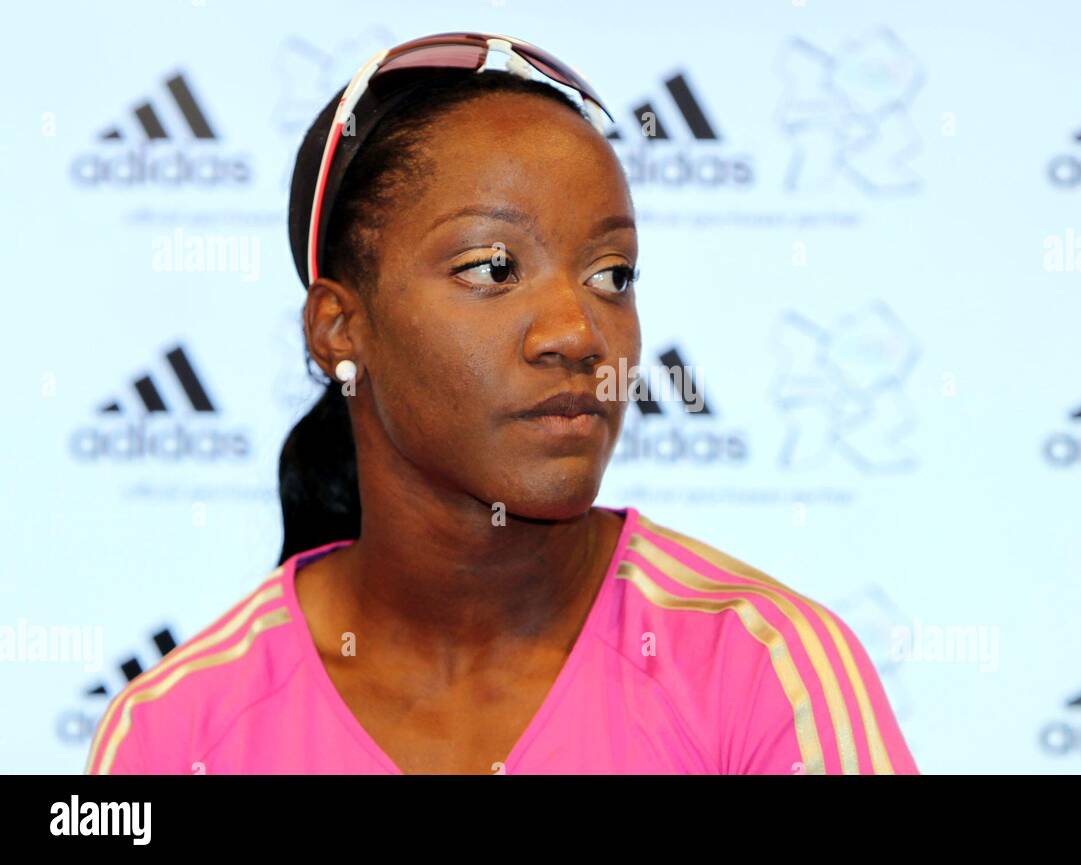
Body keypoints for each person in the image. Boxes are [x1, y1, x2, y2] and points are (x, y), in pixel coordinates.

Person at [85, 32, 917, 775]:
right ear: (340, 329)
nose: (577, 332)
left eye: (611, 276)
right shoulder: (176, 733)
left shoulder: (764, 674)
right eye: (492, 268)